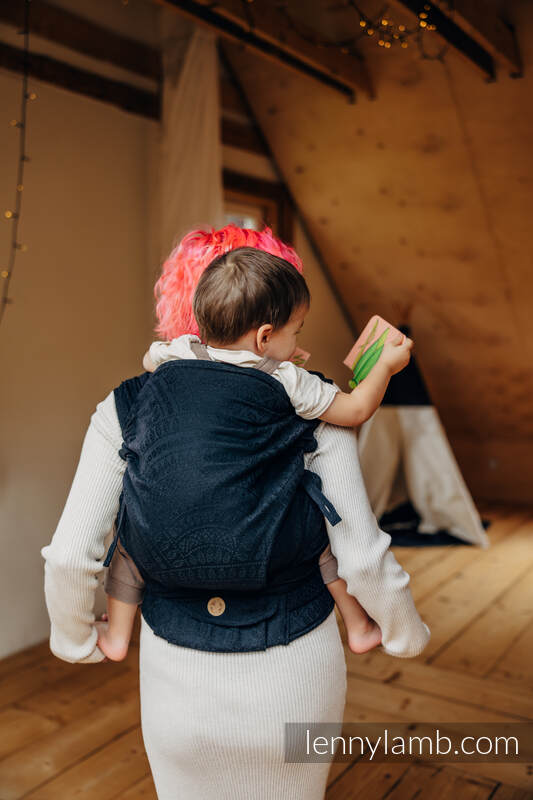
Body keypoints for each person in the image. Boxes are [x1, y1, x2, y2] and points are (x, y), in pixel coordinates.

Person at [41, 224, 430, 800]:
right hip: (294, 674)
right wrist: (404, 633)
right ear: (267, 328)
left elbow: (73, 556)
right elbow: (361, 553)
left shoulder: (125, 406)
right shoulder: (304, 396)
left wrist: (75, 640)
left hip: (177, 683)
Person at [97, 245, 413, 663]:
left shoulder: (177, 351)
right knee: (320, 536)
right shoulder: (287, 379)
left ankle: (117, 635)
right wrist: (385, 367)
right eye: (296, 332)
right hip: (255, 542)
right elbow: (355, 410)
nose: (297, 344)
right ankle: (358, 625)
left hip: (164, 546)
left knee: (130, 539)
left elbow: (148, 359)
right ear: (265, 336)